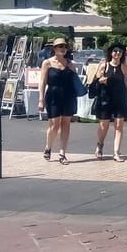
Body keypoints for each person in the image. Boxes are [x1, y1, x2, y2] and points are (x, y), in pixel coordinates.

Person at [38, 37, 77, 165]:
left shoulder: (70, 64)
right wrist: (41, 99)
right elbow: (43, 82)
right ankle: (48, 147)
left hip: (68, 96)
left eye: (64, 47)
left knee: (66, 124)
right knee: (54, 125)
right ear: (54, 49)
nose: (63, 49)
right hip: (53, 96)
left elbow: (75, 82)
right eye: (60, 47)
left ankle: (62, 153)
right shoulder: (47, 63)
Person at [93, 43, 127, 162]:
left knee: (119, 125)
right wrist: (100, 81)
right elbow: (96, 80)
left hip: (120, 98)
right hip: (105, 99)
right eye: (115, 51)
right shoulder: (104, 65)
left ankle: (116, 152)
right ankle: (100, 144)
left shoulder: (124, 67)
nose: (117, 53)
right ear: (110, 53)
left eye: (120, 51)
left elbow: (125, 83)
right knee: (104, 125)